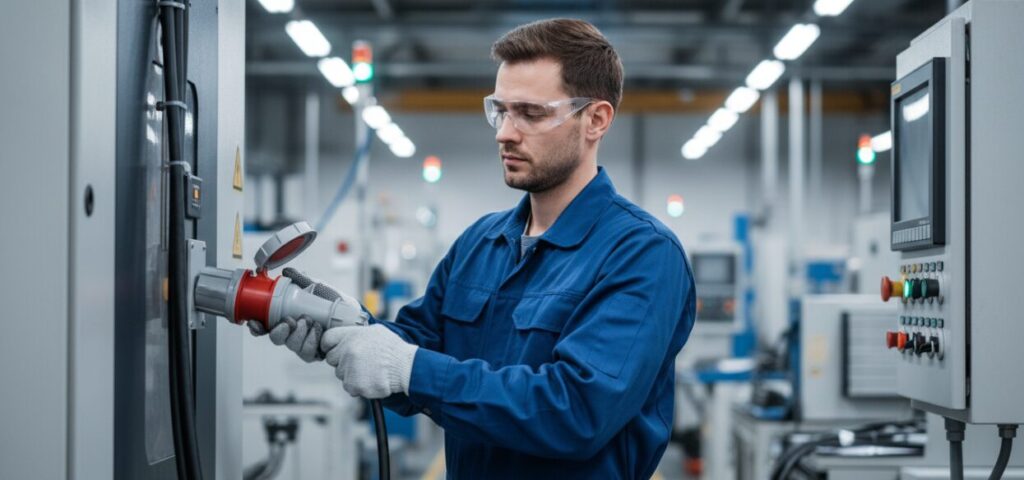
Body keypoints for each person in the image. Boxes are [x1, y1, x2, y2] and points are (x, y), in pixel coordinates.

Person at [250, 18, 696, 479]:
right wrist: (344, 327)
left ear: (596, 120)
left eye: (531, 113)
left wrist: (409, 368)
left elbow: (578, 412)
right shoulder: (480, 243)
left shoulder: (642, 254)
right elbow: (416, 352)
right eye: (500, 111)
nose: (505, 133)